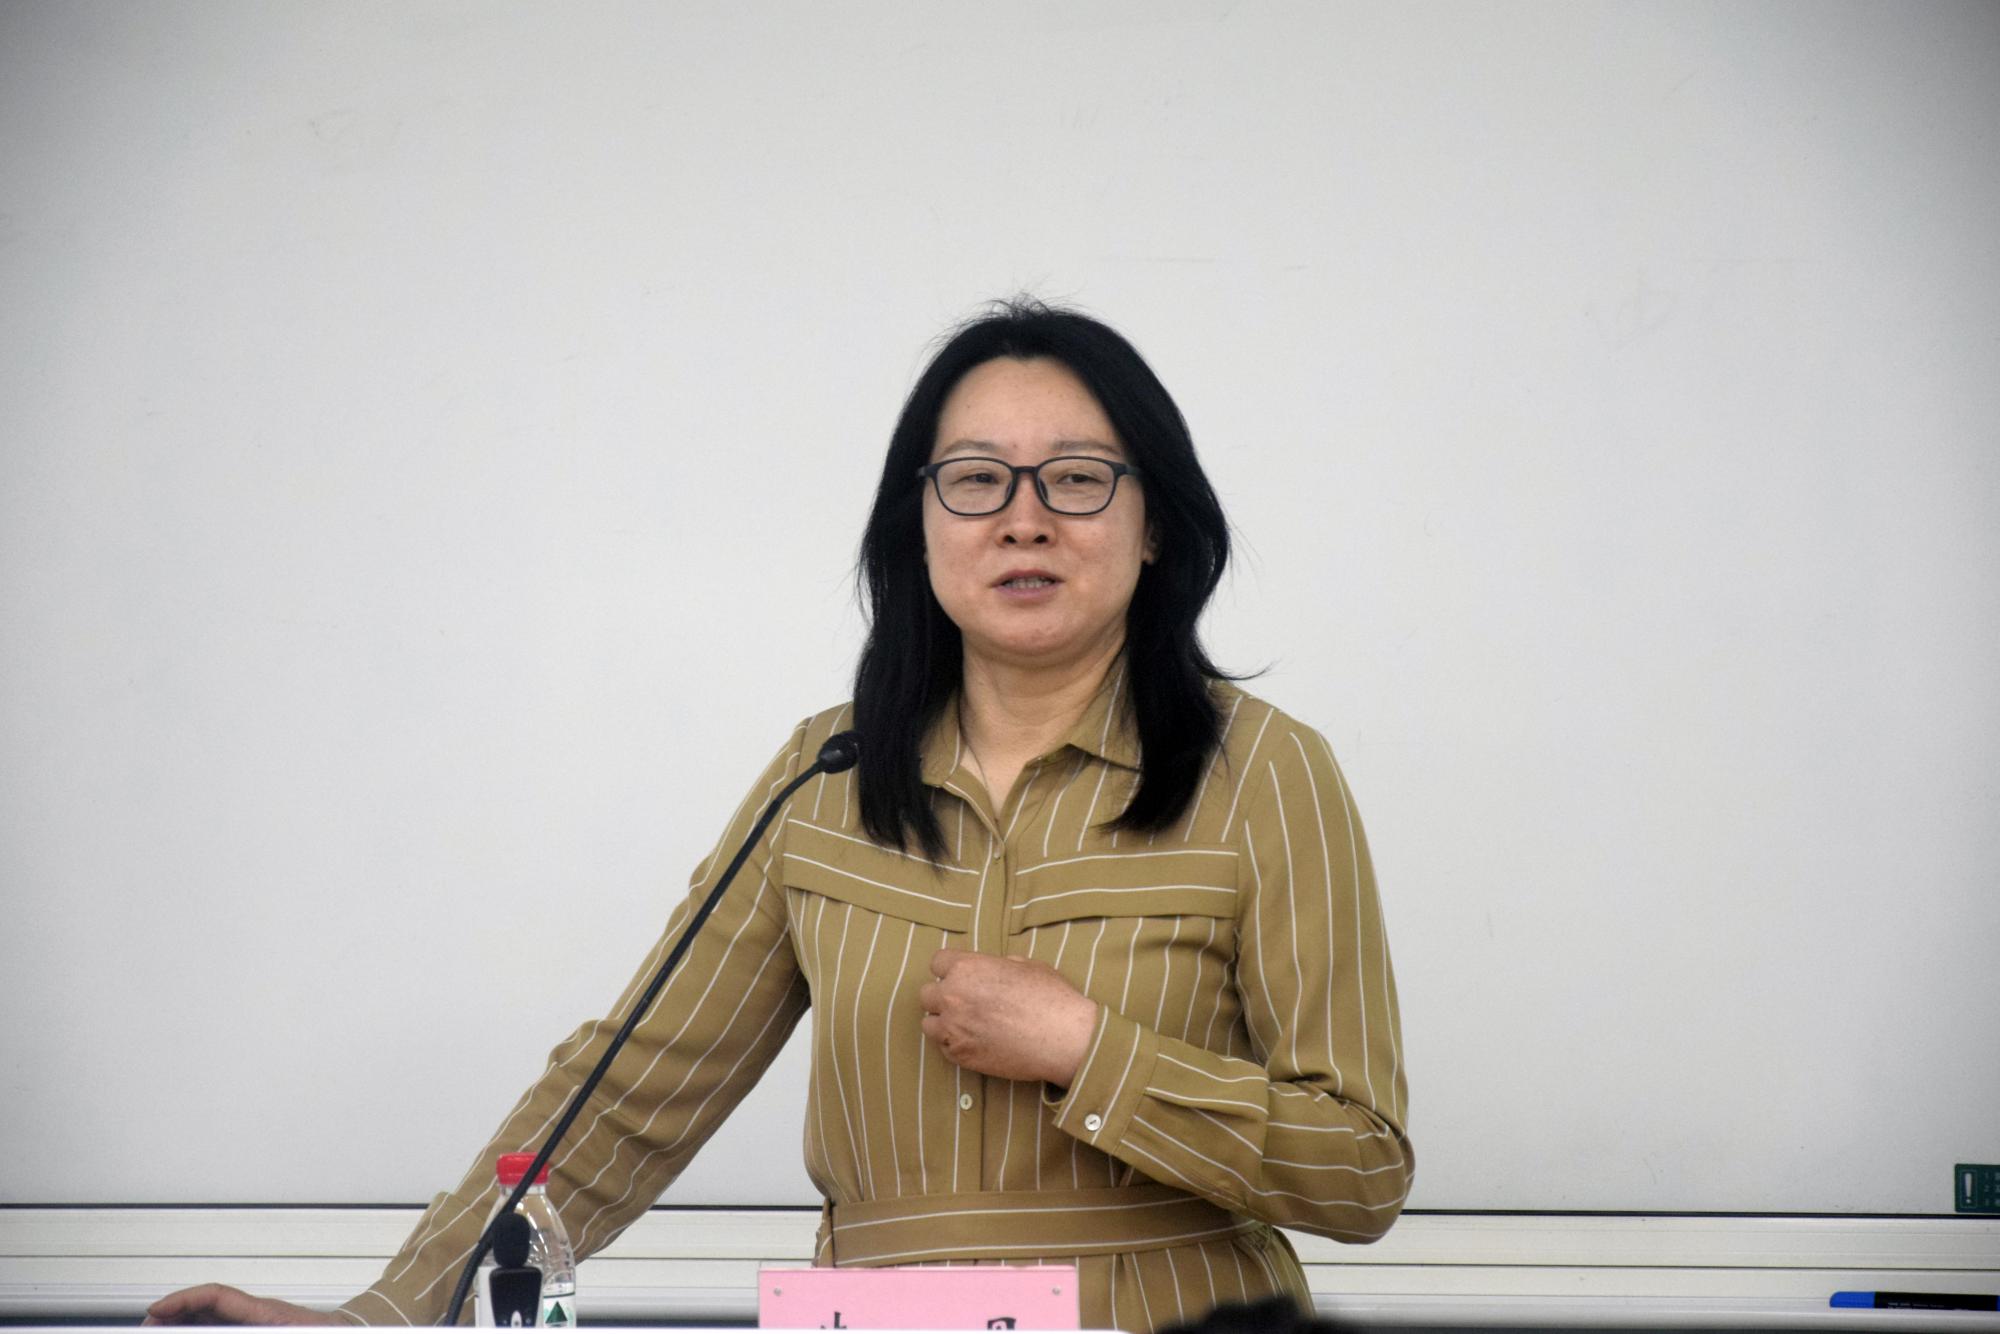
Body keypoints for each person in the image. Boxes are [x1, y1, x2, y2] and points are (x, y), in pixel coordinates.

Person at [145, 300, 1413, 1332]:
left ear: (1154, 528)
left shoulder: (1266, 771)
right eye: (975, 479)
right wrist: (388, 1311)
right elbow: (630, 1091)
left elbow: (1359, 1165)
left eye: (1077, 479)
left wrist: (1090, 1050)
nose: (1023, 516)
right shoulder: (825, 773)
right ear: (919, 526)